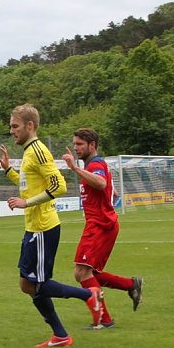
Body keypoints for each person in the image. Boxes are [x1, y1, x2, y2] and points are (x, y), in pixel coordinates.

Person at [0, 104, 103, 348]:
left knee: (37, 284)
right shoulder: (29, 151)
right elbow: (29, 186)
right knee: (27, 284)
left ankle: (89, 295)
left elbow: (59, 186)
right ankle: (61, 335)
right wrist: (9, 171)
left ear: (30, 125)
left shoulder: (38, 151)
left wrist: (26, 203)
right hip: (33, 227)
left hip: (43, 228)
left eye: (15, 126)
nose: (11, 130)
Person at [62, 128, 143, 330]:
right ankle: (130, 285)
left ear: (92, 145)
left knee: (82, 272)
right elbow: (112, 192)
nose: (76, 148)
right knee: (86, 273)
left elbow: (100, 183)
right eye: (75, 144)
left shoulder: (95, 164)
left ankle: (103, 320)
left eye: (80, 144)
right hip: (100, 224)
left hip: (100, 225)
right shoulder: (96, 165)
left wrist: (74, 168)